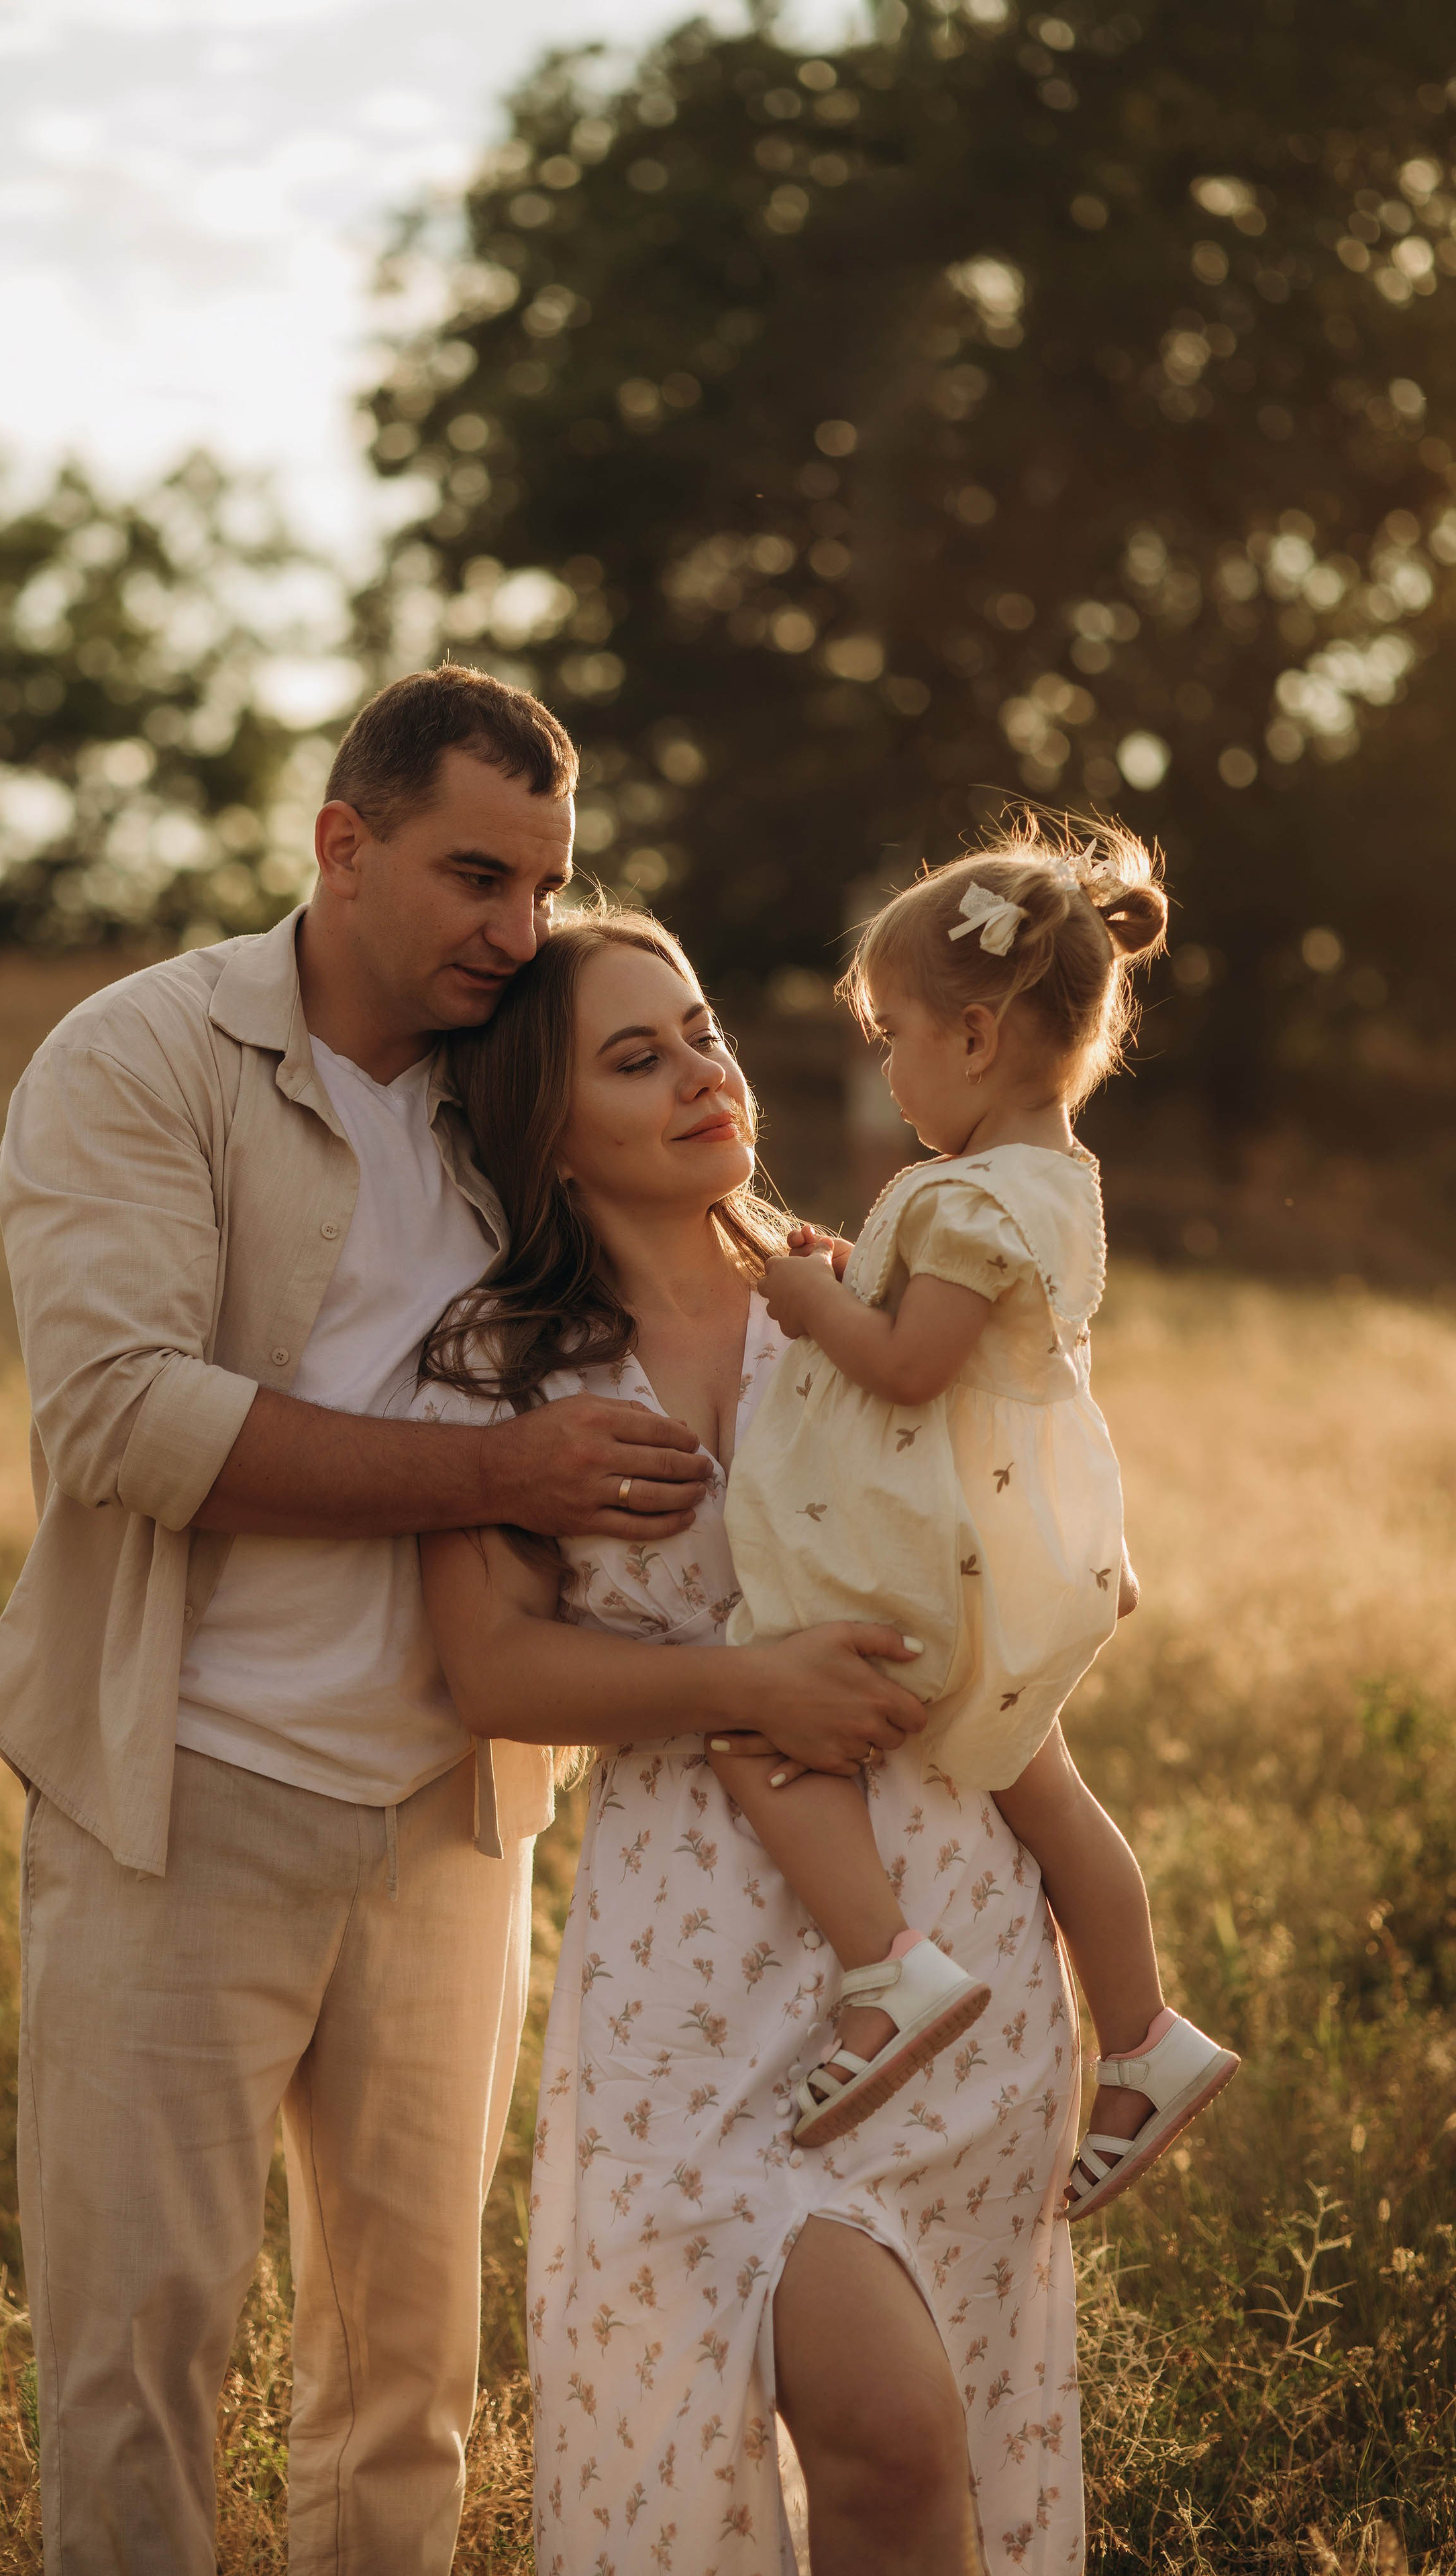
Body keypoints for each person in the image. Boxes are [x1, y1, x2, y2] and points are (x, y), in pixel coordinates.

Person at [0, 665, 738, 2575]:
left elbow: (698, 1241)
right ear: (343, 844)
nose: (520, 931)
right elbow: (123, 1419)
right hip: (179, 1792)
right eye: (477, 877)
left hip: (453, 1810)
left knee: (407, 2379)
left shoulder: (510, 1087)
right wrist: (502, 1472)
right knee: (136, 2360)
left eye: (543, 885)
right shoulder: (140, 1059)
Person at [417, 910, 1084, 2575]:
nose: (700, 1074)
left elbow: (1027, 1535)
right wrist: (746, 1684)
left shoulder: (858, 1296)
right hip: (692, 1966)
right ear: (546, 1130)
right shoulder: (500, 1363)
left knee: (924, 2452)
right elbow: (489, 1671)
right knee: (882, 2420)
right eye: (634, 1059)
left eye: (702, 1034)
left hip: (939, 1921)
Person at [719, 822, 1238, 2212]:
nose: (887, 1069)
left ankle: (886, 1965)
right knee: (1041, 1783)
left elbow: (906, 1367)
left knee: (759, 1713)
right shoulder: (1051, 1188)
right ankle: (1143, 2033)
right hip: (999, 1548)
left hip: (927, 1549)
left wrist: (810, 1303)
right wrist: (854, 1273)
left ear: (974, 1033)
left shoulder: (968, 1198)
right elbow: (960, 1339)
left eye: (891, 1036)